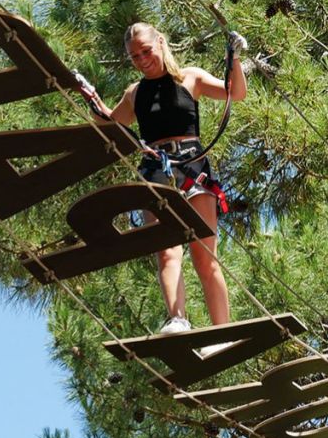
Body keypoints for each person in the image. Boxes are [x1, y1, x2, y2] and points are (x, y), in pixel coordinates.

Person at [80, 21, 247, 335]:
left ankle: (222, 332)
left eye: (146, 51)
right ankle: (177, 319)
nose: (142, 59)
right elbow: (112, 129)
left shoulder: (190, 78)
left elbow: (234, 93)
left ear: (160, 42)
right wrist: (93, 103)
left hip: (192, 167)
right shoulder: (135, 94)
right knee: (167, 250)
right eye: (134, 56)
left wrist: (234, 59)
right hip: (156, 170)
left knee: (204, 256)